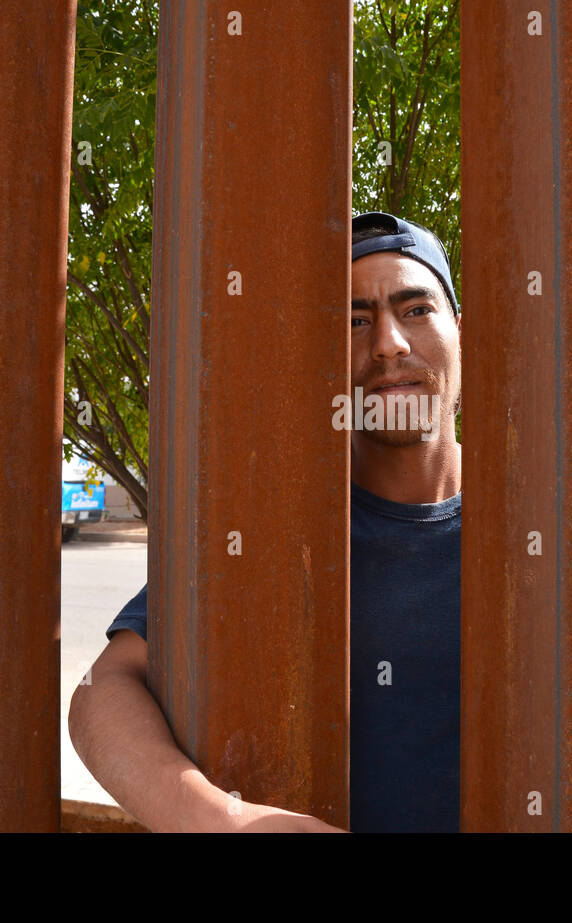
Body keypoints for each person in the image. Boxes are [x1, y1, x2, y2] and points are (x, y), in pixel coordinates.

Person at [68, 212, 463, 832]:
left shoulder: (530, 523)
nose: (388, 342)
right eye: (354, 320)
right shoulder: (282, 523)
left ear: (461, 332)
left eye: (416, 310)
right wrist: (226, 822)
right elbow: (102, 691)